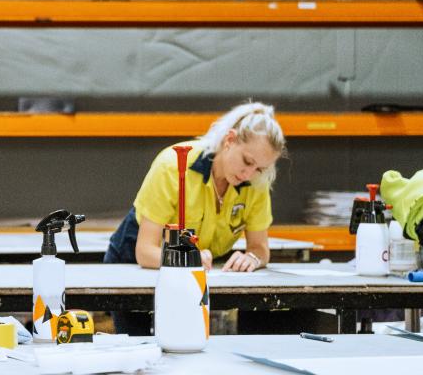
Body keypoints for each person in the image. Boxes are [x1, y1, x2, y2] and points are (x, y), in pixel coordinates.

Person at [104, 102, 287, 334]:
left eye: (260, 169)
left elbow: (260, 248)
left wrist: (253, 257)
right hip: (137, 266)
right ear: (229, 140)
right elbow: (145, 251)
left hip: (194, 271)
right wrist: (189, 259)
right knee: (141, 348)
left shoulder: (256, 183)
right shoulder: (173, 165)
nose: (249, 174)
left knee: (186, 345)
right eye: (247, 162)